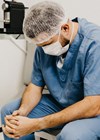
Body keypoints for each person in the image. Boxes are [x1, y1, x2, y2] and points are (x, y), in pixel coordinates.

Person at [1, 1, 100, 140]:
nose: (44, 50)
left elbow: (93, 105)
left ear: (65, 28)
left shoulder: (95, 44)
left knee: (72, 135)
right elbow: (35, 85)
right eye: (40, 46)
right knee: (10, 112)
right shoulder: (44, 46)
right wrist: (22, 112)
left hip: (95, 111)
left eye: (47, 44)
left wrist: (37, 124)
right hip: (62, 104)